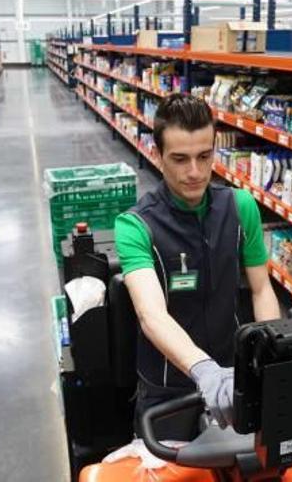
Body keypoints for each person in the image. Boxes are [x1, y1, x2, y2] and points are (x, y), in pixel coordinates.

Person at [114, 94, 280, 441]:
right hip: (167, 389)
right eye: (180, 159)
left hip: (234, 377)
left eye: (204, 156)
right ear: (157, 156)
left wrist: (272, 352)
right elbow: (151, 315)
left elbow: (262, 289)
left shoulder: (240, 206)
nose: (195, 172)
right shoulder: (135, 226)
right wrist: (203, 369)